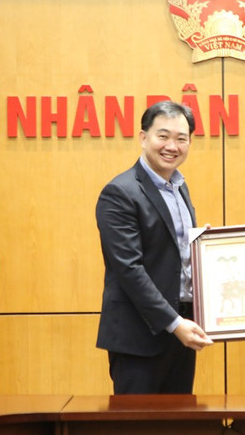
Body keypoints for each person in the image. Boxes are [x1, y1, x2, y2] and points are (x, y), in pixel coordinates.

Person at [95, 100, 213, 394]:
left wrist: (206, 248)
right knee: (138, 426)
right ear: (143, 137)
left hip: (182, 329)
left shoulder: (179, 186)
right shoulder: (120, 192)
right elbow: (129, 269)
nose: (172, 146)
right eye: (163, 136)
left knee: (178, 425)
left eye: (181, 138)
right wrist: (174, 324)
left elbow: (175, 254)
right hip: (140, 337)